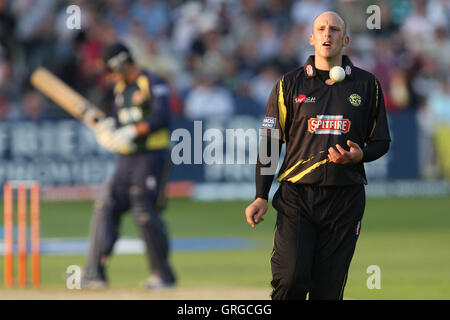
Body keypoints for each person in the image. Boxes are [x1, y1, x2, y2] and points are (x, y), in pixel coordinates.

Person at [245, 11, 391, 300]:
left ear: (345, 39)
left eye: (335, 29)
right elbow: (270, 142)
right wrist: (261, 194)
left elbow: (381, 141)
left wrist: (359, 155)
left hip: (345, 199)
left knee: (328, 292)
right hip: (297, 197)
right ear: (311, 38)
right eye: (321, 29)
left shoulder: (367, 85)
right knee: (291, 280)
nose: (328, 34)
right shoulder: (289, 85)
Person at [81, 42, 176, 289]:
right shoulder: (120, 89)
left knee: (144, 211)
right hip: (128, 157)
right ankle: (94, 272)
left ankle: (163, 275)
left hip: (152, 154)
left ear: (122, 62)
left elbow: (163, 117)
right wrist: (108, 132)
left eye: (110, 70)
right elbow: (117, 121)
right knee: (106, 204)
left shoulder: (152, 81)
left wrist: (133, 131)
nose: (109, 76)